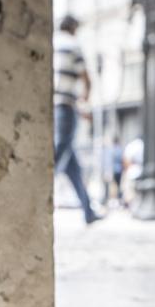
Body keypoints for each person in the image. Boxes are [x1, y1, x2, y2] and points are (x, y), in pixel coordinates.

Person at [53, 14, 100, 225]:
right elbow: (86, 78)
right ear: (73, 28)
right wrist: (84, 101)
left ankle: (88, 210)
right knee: (59, 153)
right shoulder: (72, 45)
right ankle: (34, 194)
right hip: (66, 105)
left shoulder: (52, 43)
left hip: (53, 105)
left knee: (71, 164)